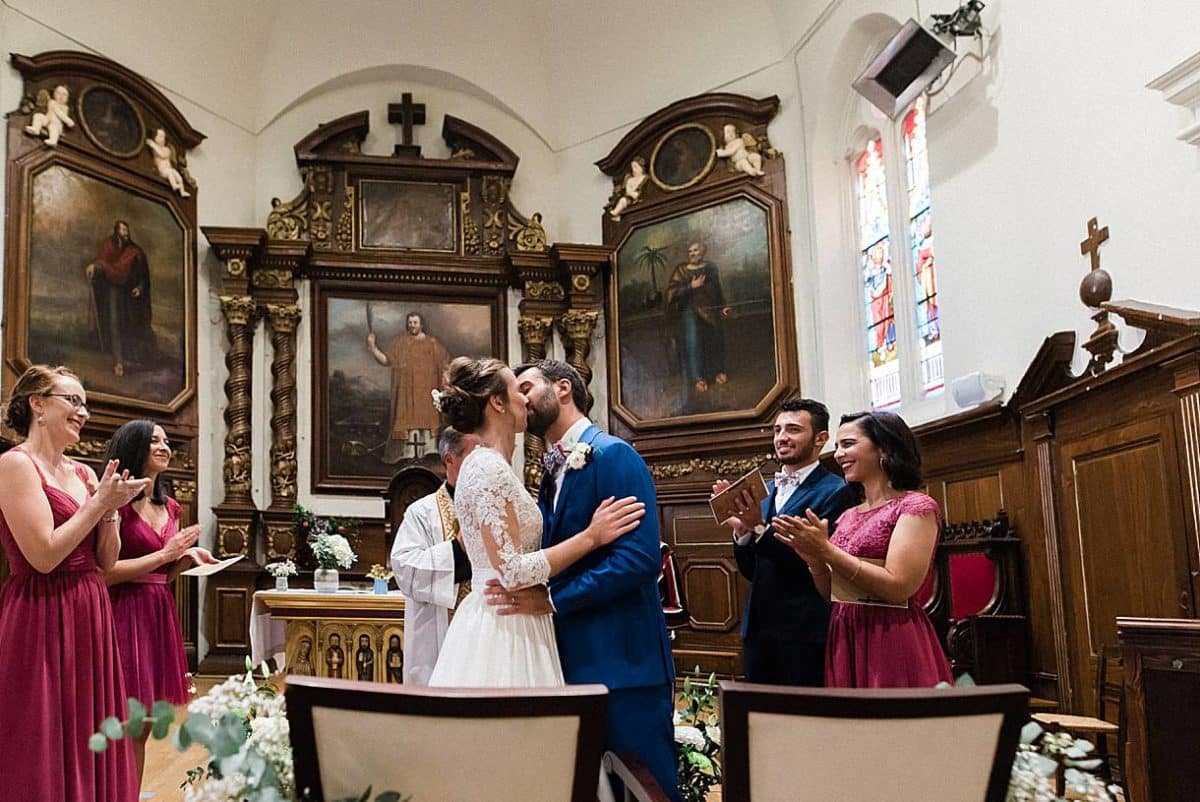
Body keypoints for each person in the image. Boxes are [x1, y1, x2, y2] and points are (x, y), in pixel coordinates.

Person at [499, 359, 680, 802]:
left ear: (563, 388)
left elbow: (638, 560)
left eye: (526, 387)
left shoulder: (613, 454)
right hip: (571, 658)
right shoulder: (549, 473)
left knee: (645, 786)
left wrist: (552, 600)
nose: (518, 399)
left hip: (624, 661)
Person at [426, 356, 645, 691]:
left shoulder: (492, 466)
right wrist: (591, 536)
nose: (526, 399)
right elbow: (511, 571)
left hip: (524, 619)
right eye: (518, 389)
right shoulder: (487, 467)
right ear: (497, 402)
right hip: (506, 627)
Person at [0, 364, 150, 800]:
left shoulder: (84, 474)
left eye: (85, 403)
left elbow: (106, 561)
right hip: (40, 610)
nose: (83, 412)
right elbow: (43, 556)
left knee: (90, 722)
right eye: (73, 400)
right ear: (38, 405)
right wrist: (100, 502)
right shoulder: (15, 465)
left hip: (89, 606)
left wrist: (110, 511)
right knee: (40, 729)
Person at [773, 411, 952, 688]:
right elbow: (834, 595)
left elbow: (899, 587)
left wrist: (827, 551)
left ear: (884, 447)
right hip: (845, 633)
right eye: (837, 446)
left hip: (891, 634)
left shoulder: (915, 507)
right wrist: (814, 560)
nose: (837, 454)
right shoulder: (849, 515)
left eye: (847, 444)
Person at [103, 418, 218, 787]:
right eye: (155, 441)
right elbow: (104, 574)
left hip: (157, 610)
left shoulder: (170, 507)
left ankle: (131, 792)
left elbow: (161, 575)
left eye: (167, 441)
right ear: (134, 447)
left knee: (148, 722)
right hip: (121, 611)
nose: (165, 447)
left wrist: (185, 559)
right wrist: (165, 553)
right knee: (123, 721)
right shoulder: (114, 502)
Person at [714, 398, 853, 686]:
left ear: (820, 439)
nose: (781, 438)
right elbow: (754, 570)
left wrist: (759, 527)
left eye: (793, 430)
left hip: (803, 630)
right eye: (777, 430)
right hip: (758, 627)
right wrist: (743, 534)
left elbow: (817, 563)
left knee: (801, 721)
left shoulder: (836, 492)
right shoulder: (765, 490)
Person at [389, 426, 479, 685]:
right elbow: (406, 569)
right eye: (474, 455)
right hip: (438, 634)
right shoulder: (422, 512)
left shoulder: (495, 507)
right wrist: (458, 548)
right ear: (449, 459)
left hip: (486, 630)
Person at [367, 312, 450, 461]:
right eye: (410, 322)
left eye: (415, 322)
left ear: (421, 324)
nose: (412, 325)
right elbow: (386, 360)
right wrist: (373, 347)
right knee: (407, 417)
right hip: (406, 392)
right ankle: (408, 453)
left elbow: (445, 365)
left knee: (426, 417)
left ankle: (429, 451)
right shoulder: (400, 342)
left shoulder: (432, 343)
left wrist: (446, 383)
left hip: (426, 391)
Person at [86, 220, 156, 377]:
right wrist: (94, 267)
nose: (126, 233)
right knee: (114, 323)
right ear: (116, 231)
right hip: (113, 291)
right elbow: (102, 264)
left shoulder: (135, 251)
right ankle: (118, 362)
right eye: (123, 230)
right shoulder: (108, 247)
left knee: (130, 324)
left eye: (127, 230)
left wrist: (140, 287)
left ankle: (133, 357)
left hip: (129, 294)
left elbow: (144, 275)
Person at [664, 242, 730, 394]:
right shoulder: (681, 270)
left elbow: (716, 290)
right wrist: (690, 287)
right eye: (690, 251)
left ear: (703, 252)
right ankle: (698, 378)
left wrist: (723, 306)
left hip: (710, 311)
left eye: (696, 250)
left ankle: (717, 372)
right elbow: (671, 294)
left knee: (714, 339)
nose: (692, 254)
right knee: (694, 342)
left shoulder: (710, 268)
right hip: (689, 312)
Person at [145, 128, 191, 197]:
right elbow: (158, 153)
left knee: (178, 177)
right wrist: (152, 144)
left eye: (163, 137)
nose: (162, 139)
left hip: (169, 168)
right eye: (160, 136)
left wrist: (152, 144)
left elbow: (163, 155)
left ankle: (182, 191)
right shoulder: (155, 149)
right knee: (170, 173)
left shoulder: (166, 149)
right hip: (162, 170)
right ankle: (174, 185)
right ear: (155, 137)